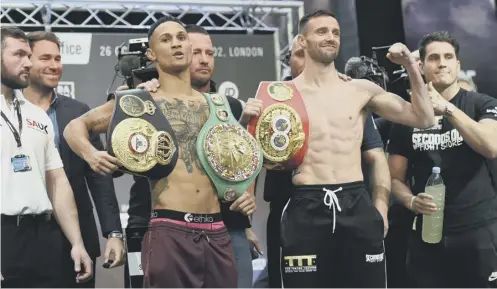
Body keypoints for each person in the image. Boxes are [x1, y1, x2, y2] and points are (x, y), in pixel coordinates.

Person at [245, 10, 435, 288]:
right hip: (305, 205)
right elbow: (253, 156)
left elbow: (424, 118)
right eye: (321, 31)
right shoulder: (281, 97)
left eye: (335, 32)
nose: (330, 37)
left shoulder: (359, 90)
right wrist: (247, 222)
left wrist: (410, 66)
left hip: (355, 202)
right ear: (302, 40)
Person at [64, 16, 257, 288]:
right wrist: (91, 155)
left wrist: (246, 195)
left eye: (181, 38)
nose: (176, 44)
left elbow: (242, 159)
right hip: (170, 229)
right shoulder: (141, 102)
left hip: (217, 231)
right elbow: (75, 127)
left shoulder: (220, 105)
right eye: (166, 40)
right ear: (151, 54)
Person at [126, 24, 262, 288]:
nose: (202, 59)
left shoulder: (228, 105)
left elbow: (244, 160)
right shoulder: (149, 97)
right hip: (165, 223)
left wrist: (248, 195)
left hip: (224, 226)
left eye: (209, 53)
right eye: (197, 51)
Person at [260, 35, 389, 288]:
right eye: (298, 55)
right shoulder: (272, 101)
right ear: (289, 61)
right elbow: (252, 160)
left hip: (349, 207)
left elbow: (376, 156)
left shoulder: (346, 96)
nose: (306, 60)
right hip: (292, 210)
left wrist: (381, 209)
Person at [387, 31, 497, 288]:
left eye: (449, 57)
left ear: (458, 65)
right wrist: (411, 200)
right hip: (428, 234)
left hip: (478, 230)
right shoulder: (407, 115)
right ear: (422, 66)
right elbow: (393, 178)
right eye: (434, 58)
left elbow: (491, 146)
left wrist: (447, 109)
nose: (442, 63)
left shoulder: (482, 103)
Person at [22, 31, 125, 287]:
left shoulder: (79, 113)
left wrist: (113, 233)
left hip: (77, 238)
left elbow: (99, 178)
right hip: (21, 236)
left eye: (58, 58)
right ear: (26, 61)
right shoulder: (7, 112)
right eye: (45, 57)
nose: (55, 65)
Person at [1, 26, 93, 287]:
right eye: (19, 54)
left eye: (29, 55)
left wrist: (76, 243)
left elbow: (58, 182)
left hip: (45, 237)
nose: (27, 62)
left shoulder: (37, 116)